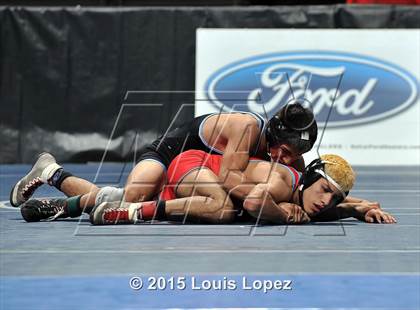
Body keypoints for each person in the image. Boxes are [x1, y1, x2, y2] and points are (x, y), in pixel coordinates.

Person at [11, 102, 318, 215]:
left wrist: (356, 207)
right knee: (131, 197)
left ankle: (56, 182)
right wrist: (273, 206)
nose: (289, 161)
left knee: (120, 200)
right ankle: (51, 172)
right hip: (170, 152)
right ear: (276, 138)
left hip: (195, 167)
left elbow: (308, 189)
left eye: (296, 156)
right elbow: (229, 180)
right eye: (287, 153)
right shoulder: (247, 127)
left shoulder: (287, 153)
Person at [20, 150, 396, 225]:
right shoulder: (283, 181)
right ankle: (134, 213)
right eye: (325, 191)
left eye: (334, 198)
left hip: (201, 178)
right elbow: (254, 201)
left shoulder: (317, 199)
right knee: (227, 209)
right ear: (310, 180)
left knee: (115, 196)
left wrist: (362, 208)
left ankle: (53, 177)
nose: (326, 201)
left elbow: (345, 204)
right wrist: (283, 214)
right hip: (197, 166)